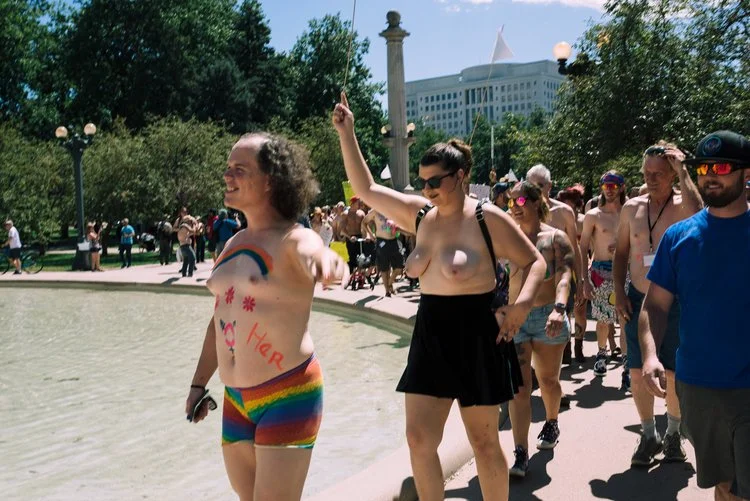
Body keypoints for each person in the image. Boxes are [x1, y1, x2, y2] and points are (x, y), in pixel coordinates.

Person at [334, 92, 547, 501]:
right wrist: (348, 132)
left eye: (436, 181)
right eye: (423, 181)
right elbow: (366, 188)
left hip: (477, 333)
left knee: (484, 442)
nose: (428, 189)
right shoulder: (419, 215)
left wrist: (520, 307)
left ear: (461, 175)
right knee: (418, 439)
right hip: (431, 332)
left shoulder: (487, 217)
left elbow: (534, 262)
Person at [186, 132, 346, 501]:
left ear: (270, 180)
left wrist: (328, 263)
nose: (227, 175)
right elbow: (219, 320)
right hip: (236, 399)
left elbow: (316, 253)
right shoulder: (234, 242)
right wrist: (198, 384)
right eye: (228, 167)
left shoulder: (293, 238)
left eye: (239, 169)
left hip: (288, 393)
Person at [640, 130, 750, 501]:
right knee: (725, 485)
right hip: (699, 387)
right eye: (703, 168)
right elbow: (655, 305)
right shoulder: (678, 238)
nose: (710, 175)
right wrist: (651, 355)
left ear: (746, 172)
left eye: (722, 167)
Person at [613, 140, 703, 467]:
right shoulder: (631, 208)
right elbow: (621, 253)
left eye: (659, 174)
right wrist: (619, 292)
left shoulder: (683, 205)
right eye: (647, 173)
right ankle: (649, 434)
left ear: (672, 175)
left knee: (674, 372)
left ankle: (674, 433)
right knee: (638, 372)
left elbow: (701, 213)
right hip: (638, 299)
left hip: (676, 301)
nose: (651, 179)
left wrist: (683, 170)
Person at [505, 181, 575, 478]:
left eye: (520, 201)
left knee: (547, 381)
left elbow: (564, 277)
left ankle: (551, 421)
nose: (514, 207)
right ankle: (520, 452)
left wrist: (560, 308)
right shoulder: (507, 237)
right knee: (520, 389)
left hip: (548, 316)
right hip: (515, 320)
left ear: (536, 202)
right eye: (510, 203)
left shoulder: (555, 238)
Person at [526, 165, 584, 365]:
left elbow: (575, 248)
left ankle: (558, 362)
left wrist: (581, 280)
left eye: (540, 185)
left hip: (560, 278)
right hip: (531, 281)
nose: (536, 190)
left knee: (559, 321)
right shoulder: (519, 211)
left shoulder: (563, 212)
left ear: (549, 186)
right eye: (531, 185)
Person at [580, 171, 629, 386]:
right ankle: (601, 354)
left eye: (613, 186)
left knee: (625, 319)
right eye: (605, 186)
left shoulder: (629, 213)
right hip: (600, 271)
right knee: (603, 319)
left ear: (622, 187)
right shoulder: (594, 215)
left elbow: (641, 241)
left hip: (625, 270)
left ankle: (627, 364)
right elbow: (582, 248)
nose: (609, 190)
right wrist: (584, 279)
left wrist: (623, 245)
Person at [363, 209, 404, 296]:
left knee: (400, 266)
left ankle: (390, 282)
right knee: (384, 268)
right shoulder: (375, 211)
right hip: (382, 241)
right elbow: (364, 222)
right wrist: (370, 235)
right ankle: (387, 291)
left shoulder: (393, 209)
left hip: (393, 241)